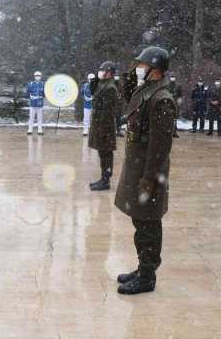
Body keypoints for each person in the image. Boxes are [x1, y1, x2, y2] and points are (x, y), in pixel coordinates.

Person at [115, 46, 176, 295]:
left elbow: (160, 147)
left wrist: (149, 178)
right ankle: (143, 267)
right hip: (137, 168)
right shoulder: (146, 90)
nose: (137, 69)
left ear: (155, 70)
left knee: (148, 224)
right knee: (140, 222)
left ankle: (148, 276)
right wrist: (131, 72)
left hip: (148, 172)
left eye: (142, 65)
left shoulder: (161, 99)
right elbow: (127, 93)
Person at [88, 61, 119, 191]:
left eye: (102, 70)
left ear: (109, 73)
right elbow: (92, 92)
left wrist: (101, 128)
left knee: (106, 153)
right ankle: (103, 178)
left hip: (105, 127)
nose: (100, 72)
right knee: (103, 153)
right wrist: (95, 79)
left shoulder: (110, 87)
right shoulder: (103, 84)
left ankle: (106, 180)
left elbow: (107, 111)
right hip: (99, 125)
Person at [26, 71, 45, 135]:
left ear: (41, 77)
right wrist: (31, 97)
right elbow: (28, 93)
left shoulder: (43, 84)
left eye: (39, 76)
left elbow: (45, 94)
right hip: (32, 103)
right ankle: (30, 129)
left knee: (40, 117)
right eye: (36, 76)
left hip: (40, 103)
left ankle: (40, 130)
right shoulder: (31, 84)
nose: (37, 77)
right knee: (31, 117)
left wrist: (41, 96)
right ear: (34, 77)